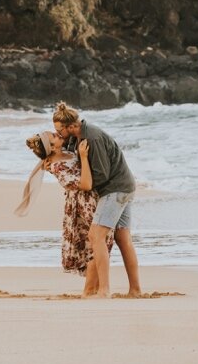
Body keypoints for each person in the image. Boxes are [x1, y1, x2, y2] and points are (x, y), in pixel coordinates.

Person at [52, 101, 140, 298]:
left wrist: (83, 169)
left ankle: (104, 290)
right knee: (123, 239)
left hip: (115, 190)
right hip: (125, 187)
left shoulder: (92, 138)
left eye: (59, 130)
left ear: (71, 127)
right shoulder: (78, 135)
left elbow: (99, 176)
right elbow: (58, 150)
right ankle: (135, 290)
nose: (57, 134)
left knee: (95, 237)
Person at [21, 130, 112, 294]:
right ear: (53, 147)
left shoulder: (66, 153)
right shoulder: (57, 166)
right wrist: (83, 157)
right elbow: (84, 185)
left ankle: (95, 287)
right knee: (96, 245)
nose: (58, 134)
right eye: (54, 137)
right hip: (83, 206)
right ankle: (89, 290)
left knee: (101, 243)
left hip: (93, 199)